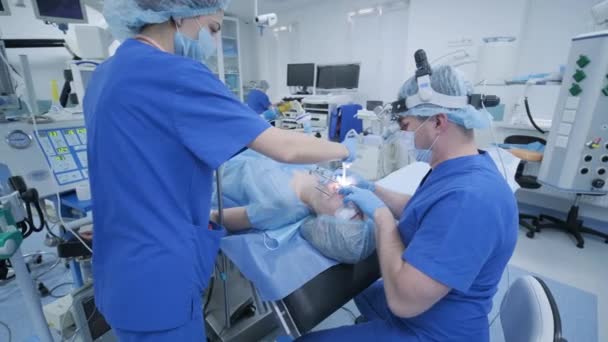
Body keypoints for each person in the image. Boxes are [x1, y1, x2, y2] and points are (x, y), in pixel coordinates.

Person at [84, 1, 357, 341]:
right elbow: (284, 148)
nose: (214, 42)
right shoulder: (174, 74)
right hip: (158, 279)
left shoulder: (105, 74)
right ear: (178, 14)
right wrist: (345, 149)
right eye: (213, 29)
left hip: (119, 269)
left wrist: (213, 214)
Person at [298, 65, 518, 341]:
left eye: (405, 126)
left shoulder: (470, 198)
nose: (403, 136)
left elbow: (404, 302)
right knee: (364, 294)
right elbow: (423, 209)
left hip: (435, 330)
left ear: (439, 122)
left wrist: (381, 216)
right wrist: (373, 189)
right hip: (431, 310)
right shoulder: (460, 168)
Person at [209, 150, 374, 263]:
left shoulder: (283, 207)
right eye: (358, 203)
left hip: (209, 172)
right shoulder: (325, 178)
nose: (349, 200)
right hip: (234, 149)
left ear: (329, 227)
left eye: (349, 212)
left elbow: (216, 217)